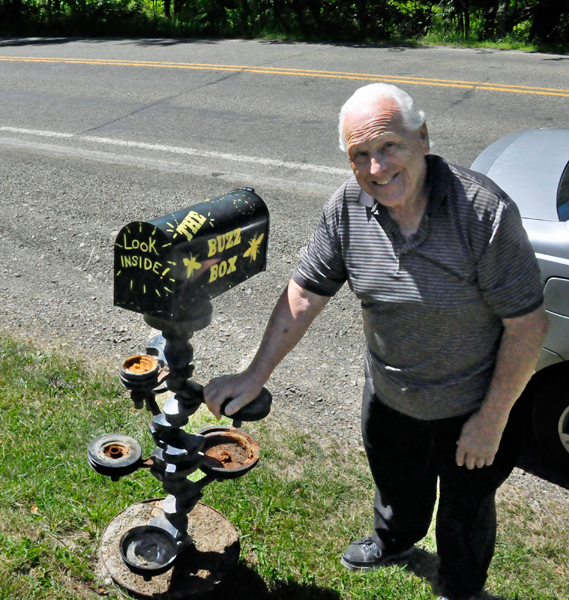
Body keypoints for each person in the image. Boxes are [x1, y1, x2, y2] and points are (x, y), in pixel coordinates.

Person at [204, 83, 550, 600]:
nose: (376, 169)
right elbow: (304, 295)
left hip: (475, 407)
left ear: (423, 138)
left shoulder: (485, 214)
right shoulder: (346, 208)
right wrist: (254, 375)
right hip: (390, 396)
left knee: (466, 508)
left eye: (389, 146)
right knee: (397, 488)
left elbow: (528, 327)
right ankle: (394, 542)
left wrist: (492, 420)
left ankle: (461, 585)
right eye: (359, 155)